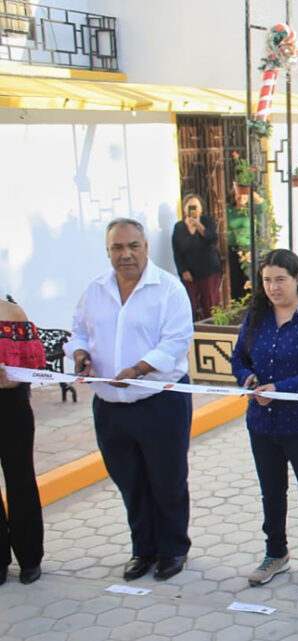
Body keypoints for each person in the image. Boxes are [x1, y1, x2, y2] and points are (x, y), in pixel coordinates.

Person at [65, 218, 194, 581]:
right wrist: (79, 356)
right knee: (129, 480)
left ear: (146, 247)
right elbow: (77, 332)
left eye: (133, 246)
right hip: (109, 405)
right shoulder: (94, 290)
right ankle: (144, 550)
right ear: (108, 252)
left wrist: (138, 370)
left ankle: (173, 549)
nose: (126, 255)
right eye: (117, 248)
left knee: (167, 480)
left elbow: (175, 341)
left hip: (159, 402)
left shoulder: (167, 289)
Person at [232, 249, 298, 590]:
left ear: (297, 279)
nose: (273, 288)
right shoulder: (256, 317)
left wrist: (279, 388)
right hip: (262, 423)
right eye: (266, 281)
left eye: (280, 279)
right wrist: (248, 379)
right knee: (271, 491)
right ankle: (275, 552)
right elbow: (238, 359)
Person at [0, 295, 46, 586]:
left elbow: (32, 363)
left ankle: (30, 558)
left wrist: (13, 378)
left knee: (20, 480)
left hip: (9, 408)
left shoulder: (11, 312)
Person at [172, 193, 223, 321]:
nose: (193, 209)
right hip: (189, 274)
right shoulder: (179, 227)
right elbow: (177, 251)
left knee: (210, 304)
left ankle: (212, 332)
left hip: (209, 270)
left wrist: (198, 225)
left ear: (201, 208)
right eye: (190, 206)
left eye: (196, 206)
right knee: (190, 304)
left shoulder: (208, 222)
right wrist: (183, 270)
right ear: (184, 209)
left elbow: (212, 239)